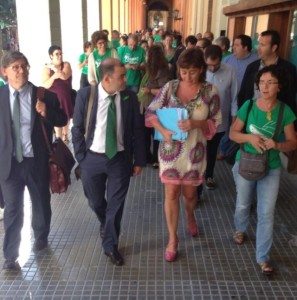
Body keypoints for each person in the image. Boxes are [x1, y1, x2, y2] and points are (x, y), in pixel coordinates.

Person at [145, 48, 222, 262]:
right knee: (171, 194)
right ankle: (172, 239)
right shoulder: (170, 88)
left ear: (201, 70)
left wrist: (196, 123)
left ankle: (190, 215)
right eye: (183, 71)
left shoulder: (210, 92)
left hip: (194, 154)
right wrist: (162, 131)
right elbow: (150, 112)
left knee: (190, 196)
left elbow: (216, 122)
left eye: (192, 71)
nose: (187, 76)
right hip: (170, 152)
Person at [71, 58, 146, 266]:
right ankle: (106, 223)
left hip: (119, 159)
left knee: (116, 204)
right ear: (106, 78)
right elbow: (76, 129)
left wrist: (139, 159)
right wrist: (81, 159)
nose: (126, 79)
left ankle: (110, 244)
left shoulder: (129, 98)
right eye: (121, 76)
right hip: (91, 159)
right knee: (96, 201)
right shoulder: (86, 95)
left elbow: (138, 131)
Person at [0, 51, 67, 271]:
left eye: (24, 66)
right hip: (9, 165)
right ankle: (10, 255)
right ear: (5, 72)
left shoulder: (43, 95)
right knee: (12, 209)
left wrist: (47, 112)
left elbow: (62, 119)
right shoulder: (0, 97)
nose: (22, 71)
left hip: (35, 161)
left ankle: (41, 235)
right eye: (16, 67)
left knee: (40, 201)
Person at [230, 65, 297, 275]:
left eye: (270, 82)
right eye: (262, 82)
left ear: (279, 86)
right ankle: (240, 229)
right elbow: (233, 133)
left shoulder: (285, 111)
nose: (265, 87)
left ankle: (263, 258)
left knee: (266, 213)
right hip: (246, 162)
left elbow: (293, 142)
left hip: (272, 166)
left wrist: (277, 145)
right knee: (243, 204)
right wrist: (250, 137)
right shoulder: (248, 106)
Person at [238, 30, 297, 119]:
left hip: (277, 122)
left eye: (263, 45)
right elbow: (243, 94)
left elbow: (290, 99)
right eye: (259, 44)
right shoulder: (252, 67)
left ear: (274, 48)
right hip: (251, 119)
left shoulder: (289, 69)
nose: (258, 48)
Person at [203, 45, 238, 190]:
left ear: (221, 59)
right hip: (199, 121)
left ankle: (209, 176)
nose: (211, 68)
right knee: (197, 150)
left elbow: (234, 98)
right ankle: (196, 179)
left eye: (215, 64)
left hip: (219, 122)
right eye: (209, 65)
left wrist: (234, 123)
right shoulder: (199, 70)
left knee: (212, 151)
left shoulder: (230, 71)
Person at [138, 44, 171, 167]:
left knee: (156, 133)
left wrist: (149, 91)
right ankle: (147, 156)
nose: (145, 57)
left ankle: (156, 159)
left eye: (147, 54)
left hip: (156, 107)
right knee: (145, 133)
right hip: (146, 105)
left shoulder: (162, 71)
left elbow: (166, 90)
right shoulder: (149, 69)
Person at [42, 45, 73, 143]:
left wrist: (55, 69)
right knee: (57, 118)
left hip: (66, 96)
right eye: (57, 54)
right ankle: (59, 138)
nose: (60, 56)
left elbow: (64, 76)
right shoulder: (46, 69)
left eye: (60, 54)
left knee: (67, 116)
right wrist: (54, 76)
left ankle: (65, 134)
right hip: (54, 99)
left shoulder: (66, 65)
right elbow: (45, 84)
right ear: (51, 56)